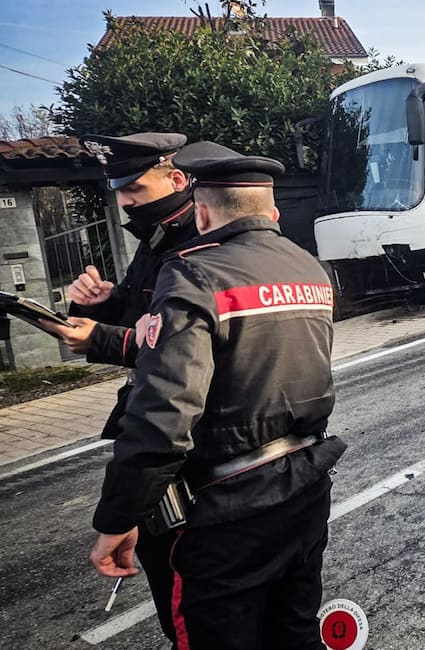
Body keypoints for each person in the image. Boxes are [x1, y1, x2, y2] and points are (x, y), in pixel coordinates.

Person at [85, 141, 346, 649]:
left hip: (225, 513)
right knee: (294, 632)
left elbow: (162, 417)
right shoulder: (308, 268)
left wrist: (118, 518)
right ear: (270, 211)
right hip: (305, 488)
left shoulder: (192, 275)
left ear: (201, 212)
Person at [38, 132, 197, 641]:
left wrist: (104, 339)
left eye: (134, 189)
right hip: (161, 418)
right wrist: (102, 301)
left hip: (181, 431)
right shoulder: (156, 240)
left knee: (190, 593)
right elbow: (142, 313)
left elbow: (179, 347)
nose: (125, 202)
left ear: (176, 179)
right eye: (118, 192)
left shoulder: (196, 242)